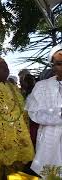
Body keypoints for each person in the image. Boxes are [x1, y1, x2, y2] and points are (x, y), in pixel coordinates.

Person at [25, 45, 62, 177]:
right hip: (49, 140)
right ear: (52, 66)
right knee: (51, 175)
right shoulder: (42, 86)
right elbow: (34, 113)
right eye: (58, 63)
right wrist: (59, 115)